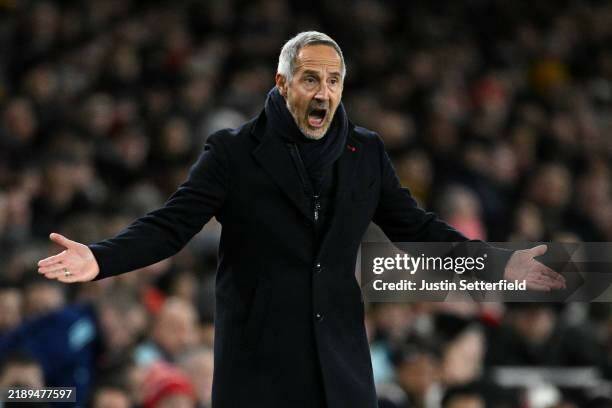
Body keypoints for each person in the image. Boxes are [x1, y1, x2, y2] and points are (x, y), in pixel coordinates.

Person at [37, 31, 565, 407]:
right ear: (283, 82)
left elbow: (418, 229)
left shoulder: (365, 153)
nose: (323, 92)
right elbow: (170, 225)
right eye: (310, 79)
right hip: (258, 370)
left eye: (333, 81)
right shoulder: (233, 153)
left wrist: (499, 265)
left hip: (340, 368)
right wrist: (101, 258)